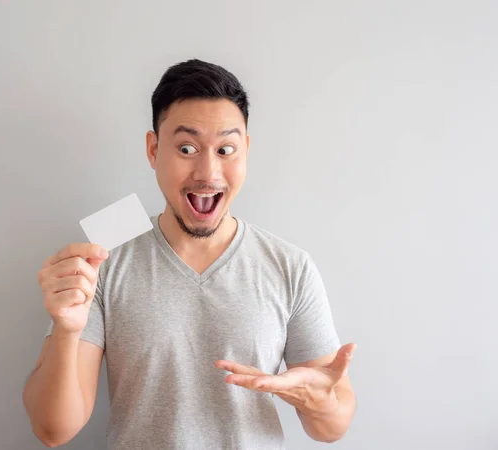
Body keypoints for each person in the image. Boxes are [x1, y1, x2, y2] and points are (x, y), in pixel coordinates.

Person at [23, 58, 356, 449]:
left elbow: (331, 428)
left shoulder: (290, 266)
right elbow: (53, 431)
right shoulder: (104, 260)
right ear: (153, 149)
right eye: (186, 147)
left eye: (226, 149)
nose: (208, 172)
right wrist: (67, 330)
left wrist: (321, 405)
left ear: (245, 151)